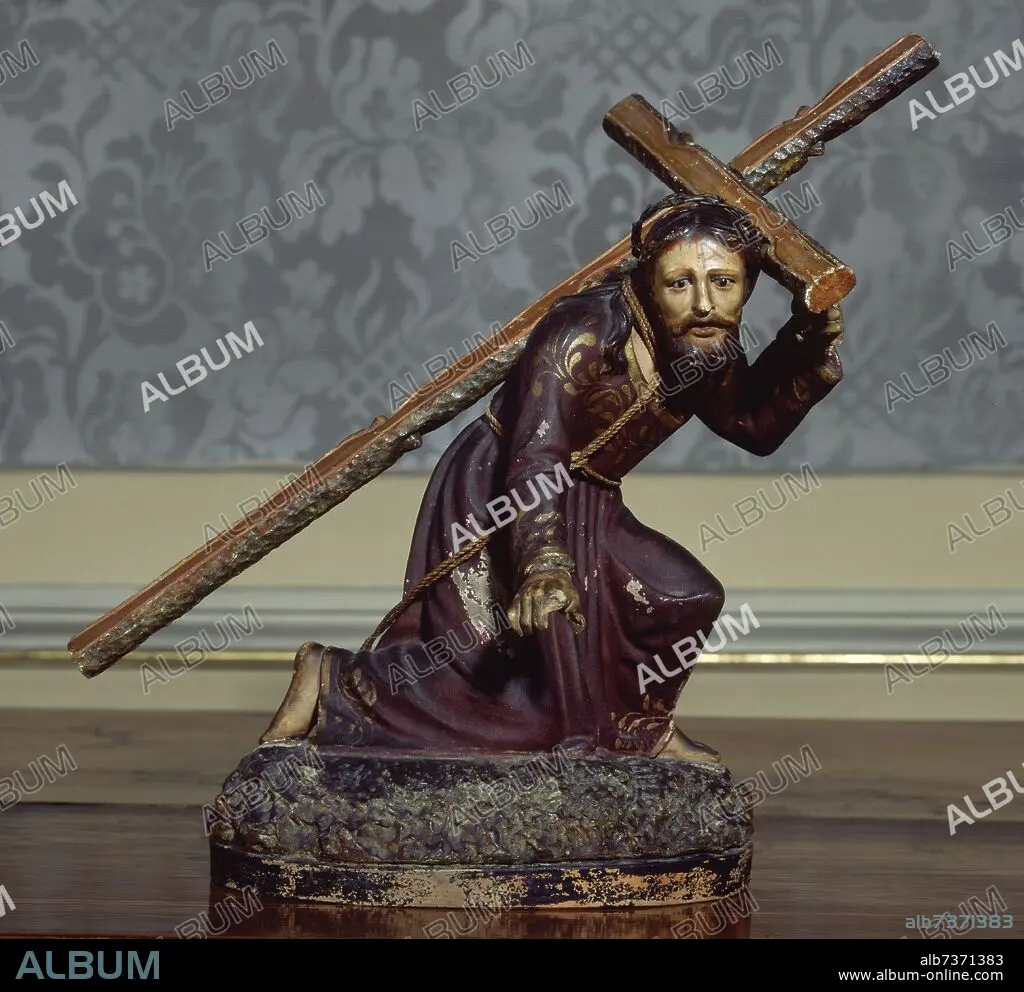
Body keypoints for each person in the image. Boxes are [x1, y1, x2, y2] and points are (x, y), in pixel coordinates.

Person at [261, 192, 844, 757]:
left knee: (685, 597)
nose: (703, 304)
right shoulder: (581, 333)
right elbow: (537, 453)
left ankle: (639, 731)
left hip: (590, 498)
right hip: (502, 493)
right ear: (649, 281)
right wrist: (543, 563)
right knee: (500, 679)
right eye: (679, 283)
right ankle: (334, 680)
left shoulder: (703, 345)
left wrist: (806, 350)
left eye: (723, 282)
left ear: (748, 285)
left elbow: (751, 426)